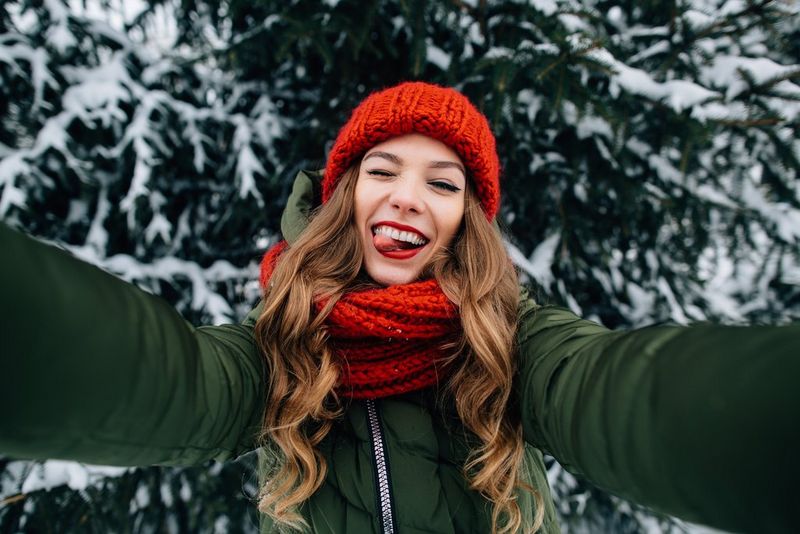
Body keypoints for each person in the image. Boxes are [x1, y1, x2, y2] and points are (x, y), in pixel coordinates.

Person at [0, 81, 798, 534]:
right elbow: (164, 383)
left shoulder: (512, 341)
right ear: (347, 194)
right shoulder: (280, 343)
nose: (409, 197)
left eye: (443, 183)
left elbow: (622, 395)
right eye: (383, 169)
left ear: (466, 223)